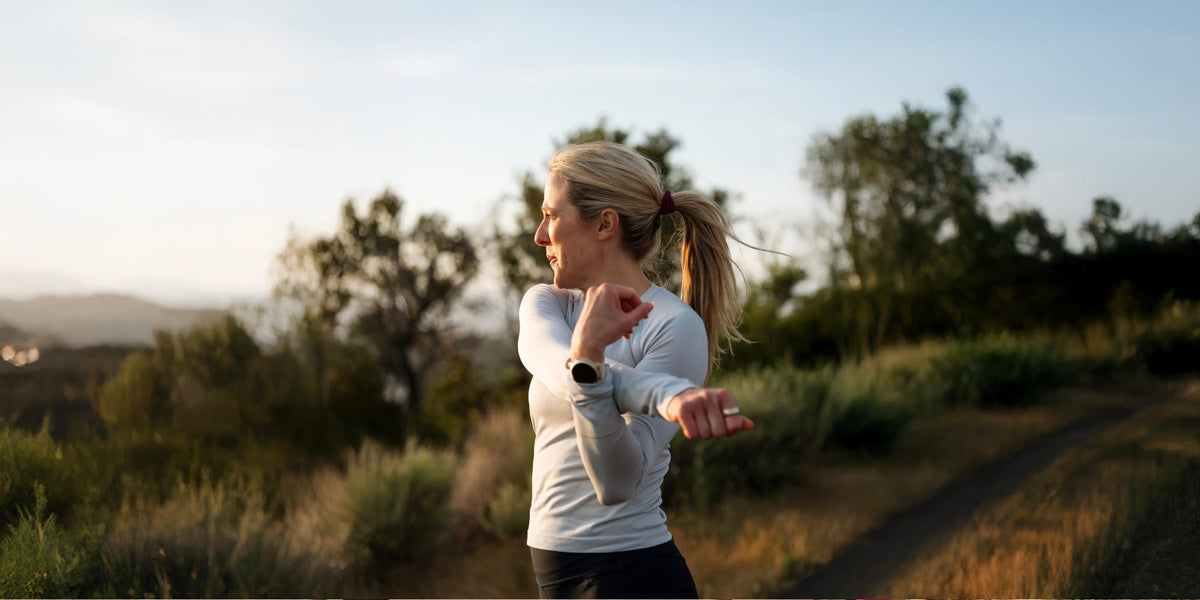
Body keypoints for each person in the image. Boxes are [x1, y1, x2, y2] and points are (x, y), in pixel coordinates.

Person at [517, 141, 755, 599]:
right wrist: (664, 394)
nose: (540, 235)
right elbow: (555, 365)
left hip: (630, 575)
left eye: (552, 215)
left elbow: (617, 482)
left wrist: (592, 363)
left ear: (605, 223)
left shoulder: (674, 326)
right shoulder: (547, 303)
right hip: (554, 577)